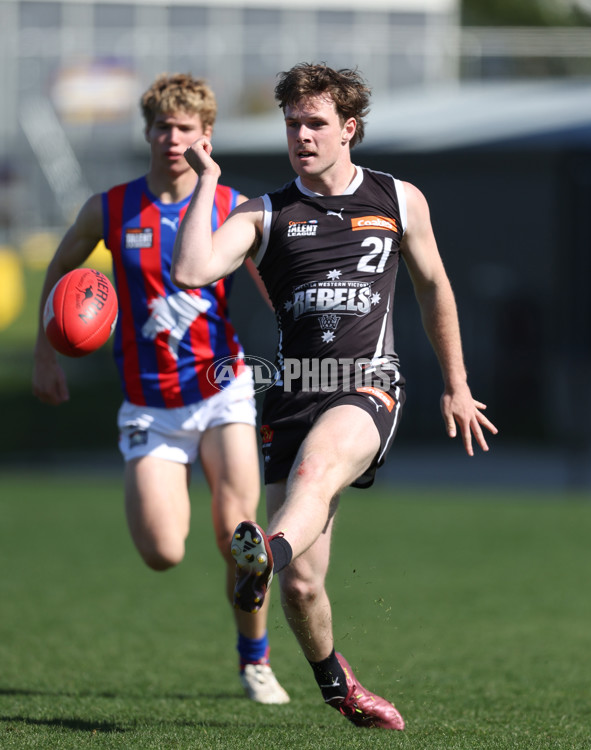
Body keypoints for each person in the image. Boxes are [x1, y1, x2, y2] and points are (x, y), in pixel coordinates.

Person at [171, 62, 498, 729]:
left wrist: (457, 386)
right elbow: (190, 269)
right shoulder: (263, 212)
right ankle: (336, 685)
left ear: (349, 129)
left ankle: (264, 550)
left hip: (368, 388)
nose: (303, 135)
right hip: (294, 397)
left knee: (317, 474)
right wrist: (208, 182)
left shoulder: (398, 199)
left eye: (316, 123)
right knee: (301, 586)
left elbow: (435, 287)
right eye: (293, 123)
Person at [32, 73, 289, 705]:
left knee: (240, 533)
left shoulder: (230, 205)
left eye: (186, 128)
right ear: (147, 132)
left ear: (207, 137)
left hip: (221, 384)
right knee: (162, 552)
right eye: (163, 127)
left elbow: (274, 287)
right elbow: (62, 267)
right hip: (150, 401)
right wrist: (47, 350)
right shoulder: (110, 207)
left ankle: (255, 658)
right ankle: (240, 637)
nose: (173, 138)